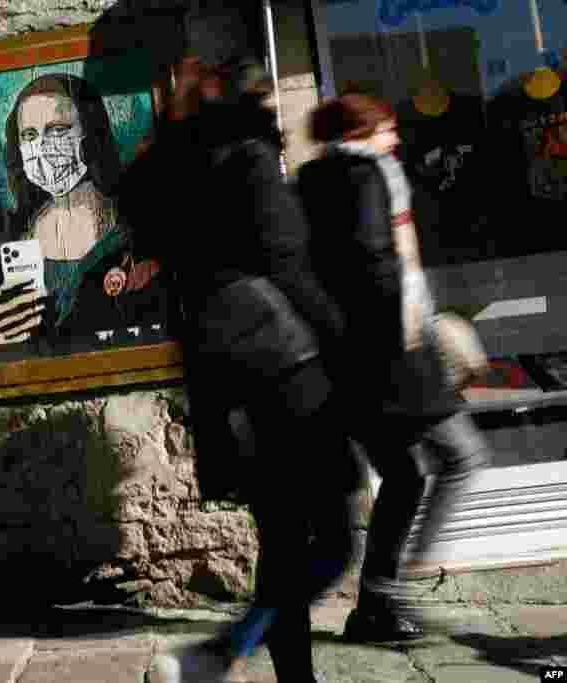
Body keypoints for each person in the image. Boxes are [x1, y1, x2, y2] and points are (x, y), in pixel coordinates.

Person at [129, 56, 359, 683]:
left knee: (283, 544)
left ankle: (286, 676)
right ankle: (225, 650)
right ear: (253, 101)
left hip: (224, 385)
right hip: (287, 372)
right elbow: (290, 267)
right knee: (335, 543)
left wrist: (174, 122)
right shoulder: (251, 158)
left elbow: (139, 216)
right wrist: (350, 350)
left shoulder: (170, 168)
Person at [298, 94, 493, 642]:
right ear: (362, 130)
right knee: (463, 455)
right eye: (387, 127)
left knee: (406, 475)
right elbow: (376, 261)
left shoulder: (311, 181)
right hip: (394, 358)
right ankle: (407, 575)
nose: (396, 138)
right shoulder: (368, 174)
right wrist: (409, 340)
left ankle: (374, 607)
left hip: (349, 363)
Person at [0, 73, 170, 349]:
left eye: (57, 129)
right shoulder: (6, 240)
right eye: (29, 135)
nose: (42, 148)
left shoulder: (136, 227)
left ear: (90, 133)